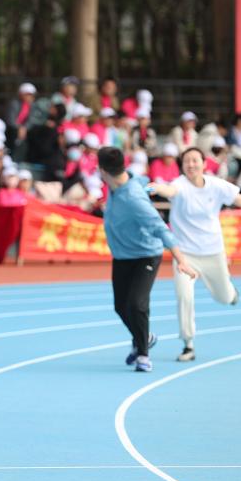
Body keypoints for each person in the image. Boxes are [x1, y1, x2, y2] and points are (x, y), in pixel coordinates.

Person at [149, 148, 241, 362]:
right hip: (185, 256)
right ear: (182, 166)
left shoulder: (216, 185)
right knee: (184, 296)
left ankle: (231, 294)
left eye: (195, 160)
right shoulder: (179, 185)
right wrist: (155, 187)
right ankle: (188, 344)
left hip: (213, 253)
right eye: (186, 161)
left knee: (223, 297)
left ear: (204, 164)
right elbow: (168, 190)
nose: (191, 165)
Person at [98, 146, 196, 373]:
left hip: (146, 255)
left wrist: (181, 259)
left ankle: (143, 355)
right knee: (121, 307)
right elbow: (141, 179)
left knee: (137, 304)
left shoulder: (134, 198)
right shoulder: (116, 184)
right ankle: (145, 337)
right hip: (122, 255)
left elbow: (160, 228)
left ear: (102, 171)